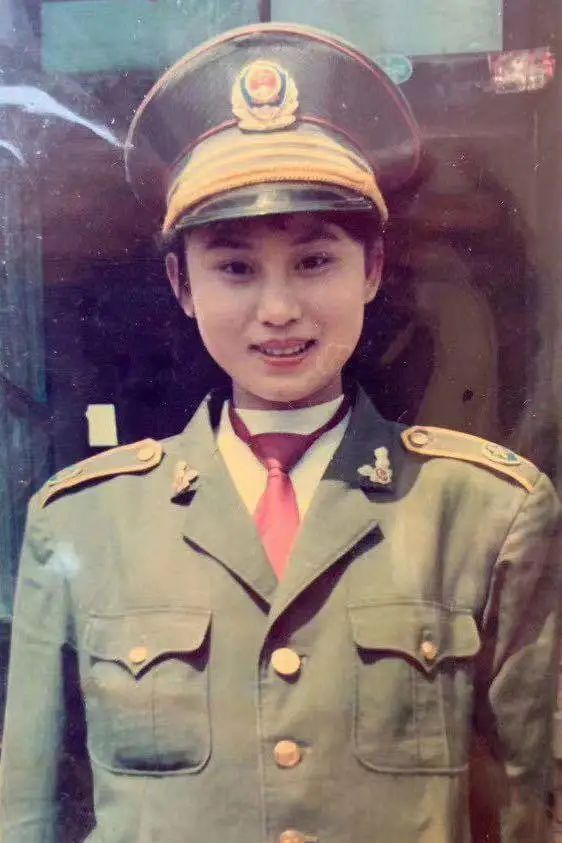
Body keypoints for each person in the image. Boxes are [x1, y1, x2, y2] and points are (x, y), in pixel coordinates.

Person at [0, 22, 560, 843]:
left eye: (314, 261)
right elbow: (27, 814)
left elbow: (530, 807)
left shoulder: (483, 514)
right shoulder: (83, 522)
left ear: (372, 268)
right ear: (181, 283)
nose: (278, 309)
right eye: (234, 267)